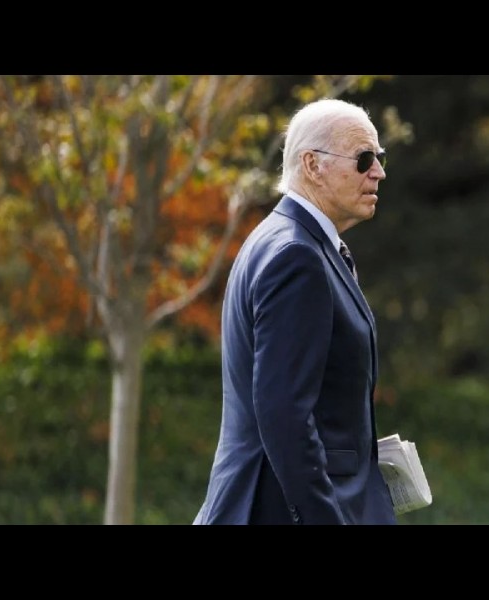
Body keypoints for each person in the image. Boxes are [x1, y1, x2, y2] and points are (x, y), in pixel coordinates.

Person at [193, 98, 396, 525]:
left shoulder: (285, 241)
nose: (378, 171)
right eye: (363, 159)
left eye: (379, 157)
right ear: (312, 165)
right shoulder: (296, 256)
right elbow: (284, 416)